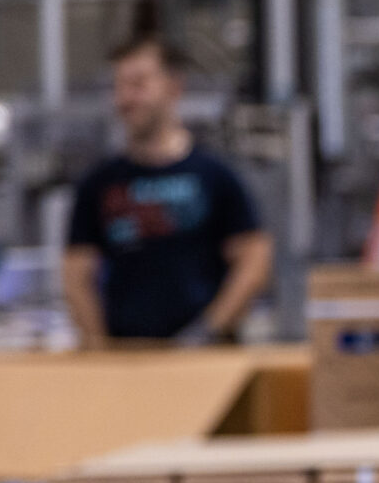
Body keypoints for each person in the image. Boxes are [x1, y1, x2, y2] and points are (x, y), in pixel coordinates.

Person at [62, 32, 274, 348]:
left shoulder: (214, 176)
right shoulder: (99, 184)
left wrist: (208, 331)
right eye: (119, 86)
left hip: (204, 362)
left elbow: (254, 259)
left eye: (139, 84)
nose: (126, 98)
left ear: (174, 87)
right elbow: (76, 273)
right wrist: (98, 346)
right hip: (127, 361)